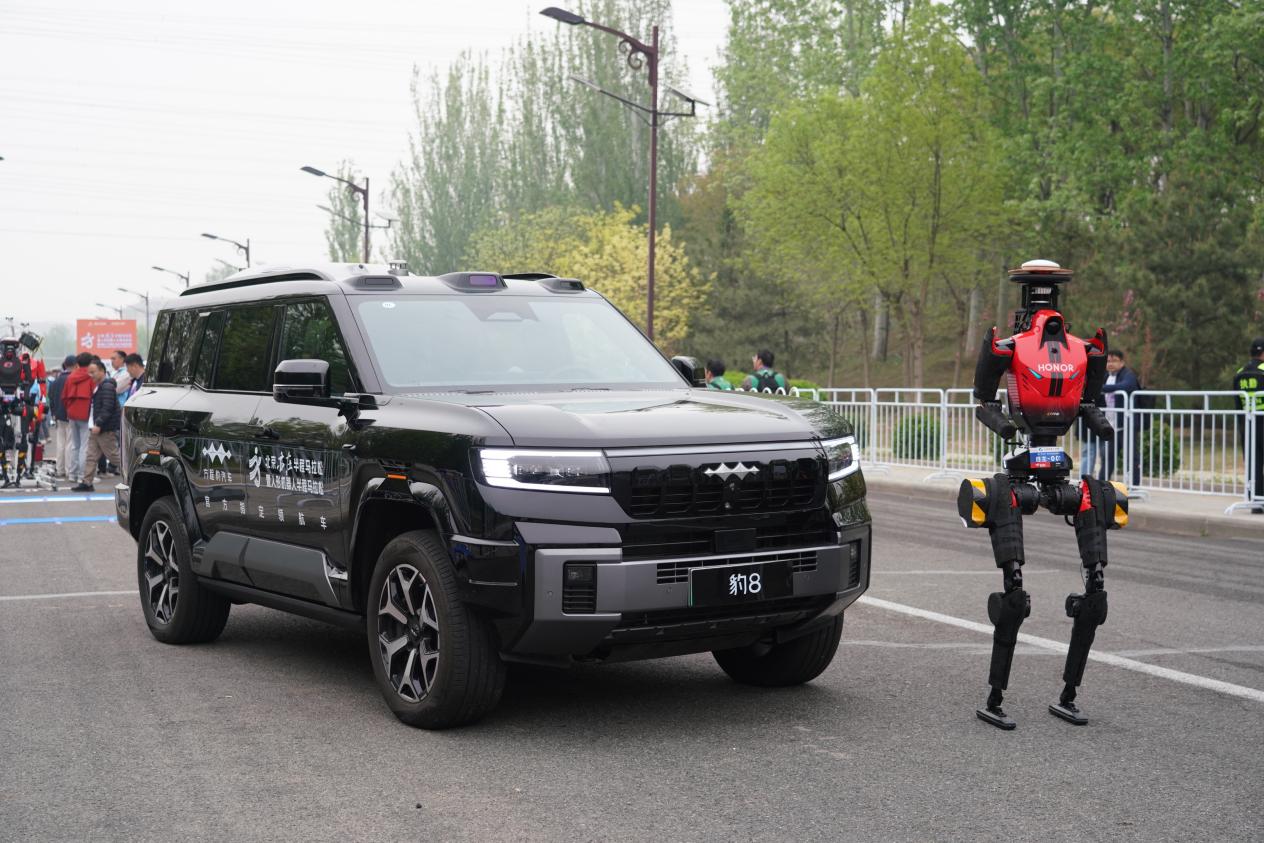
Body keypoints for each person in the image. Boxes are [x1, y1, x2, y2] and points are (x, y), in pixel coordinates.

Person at [72, 359, 120, 492]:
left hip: (105, 429)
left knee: (114, 456)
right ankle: (87, 483)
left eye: (93, 372)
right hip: (97, 428)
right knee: (91, 456)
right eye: (89, 372)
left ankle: (133, 475)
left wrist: (98, 423)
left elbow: (107, 408)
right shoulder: (99, 386)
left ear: (102, 371)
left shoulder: (107, 386)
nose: (90, 375)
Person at [1233, 338, 1264, 513]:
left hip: (1247, 423)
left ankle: (1256, 503)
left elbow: (1237, 402)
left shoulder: (1240, 373)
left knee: (1253, 464)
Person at [1100, 349, 1140, 483]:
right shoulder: (1106, 375)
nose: (1110, 364)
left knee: (1131, 456)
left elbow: (1126, 386)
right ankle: (1102, 485)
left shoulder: (1128, 374)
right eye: (1108, 361)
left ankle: (1134, 485)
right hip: (1110, 424)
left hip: (1126, 424)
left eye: (1114, 361)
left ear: (1122, 362)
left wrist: (1102, 388)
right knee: (1108, 457)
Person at [62, 352, 95, 484]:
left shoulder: (70, 377)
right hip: (85, 415)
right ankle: (82, 475)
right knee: (84, 447)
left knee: (75, 446)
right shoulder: (90, 377)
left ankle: (72, 474)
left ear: (77, 363)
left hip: (72, 414)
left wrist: (69, 409)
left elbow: (64, 397)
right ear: (90, 363)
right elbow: (94, 395)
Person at [47, 355, 75, 478]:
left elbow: (50, 397)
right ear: (75, 365)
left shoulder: (56, 380)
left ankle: (60, 469)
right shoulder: (73, 379)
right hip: (71, 415)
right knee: (70, 443)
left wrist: (54, 413)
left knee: (61, 443)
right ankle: (69, 470)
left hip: (58, 415)